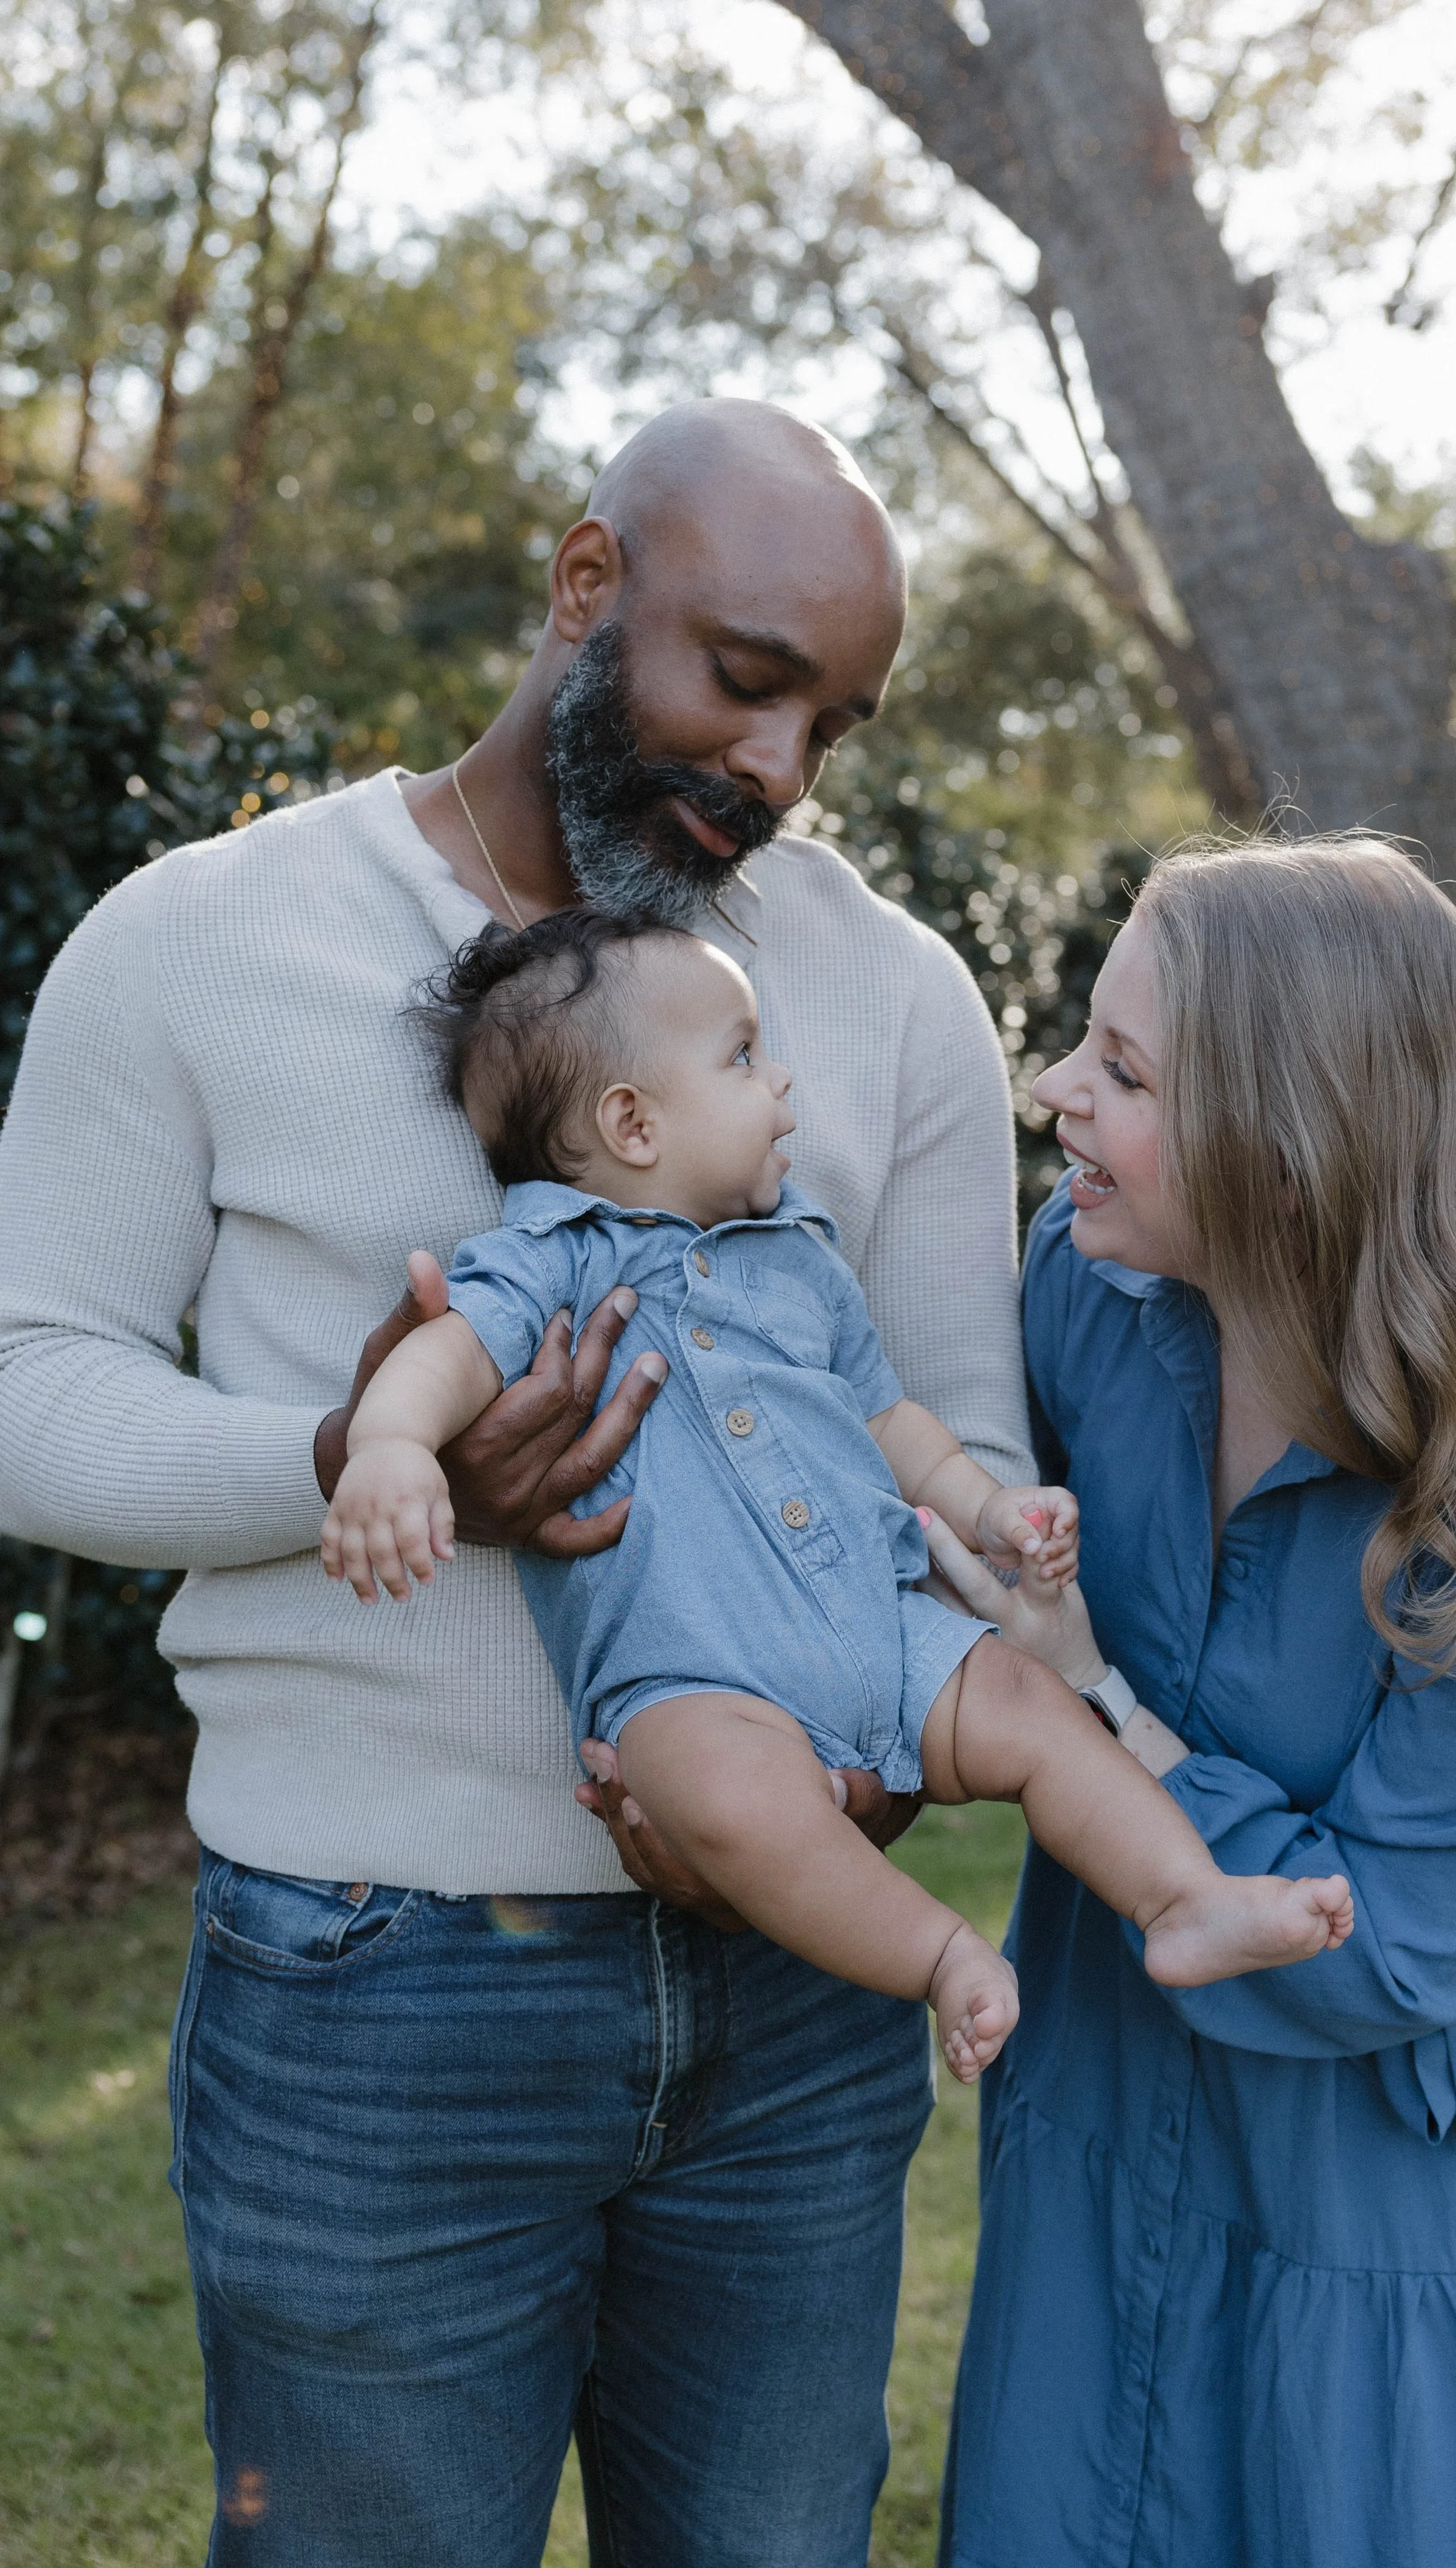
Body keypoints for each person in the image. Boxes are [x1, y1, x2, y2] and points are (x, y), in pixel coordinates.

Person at [0, 398, 1031, 2567]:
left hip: (798, 2001)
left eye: (831, 721)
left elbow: (960, 1449)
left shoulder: (895, 997)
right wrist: (343, 1462)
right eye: (744, 680)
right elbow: (29, 1391)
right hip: (373, 1976)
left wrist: (855, 1789)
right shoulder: (200, 942)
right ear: (583, 589)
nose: (778, 771)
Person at [923, 836, 1456, 2568]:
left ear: (1290, 1156)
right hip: (1117, 2107)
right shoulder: (1085, 1292)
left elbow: (1394, 1938)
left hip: (1412, 2195)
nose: (1051, 1089)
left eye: (1123, 1071)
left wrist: (1085, 1708)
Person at [322, 909, 1354, 2072]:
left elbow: (890, 1419)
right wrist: (393, 1450)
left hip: (886, 1630)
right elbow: (449, 1350)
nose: (783, 1083)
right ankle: (939, 1960)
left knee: (1030, 1708)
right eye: (743, 1057)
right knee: (725, 1799)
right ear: (632, 1123)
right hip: (696, 1675)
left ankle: (1184, 1901)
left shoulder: (801, 1254)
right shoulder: (556, 1258)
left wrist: (985, 1510)